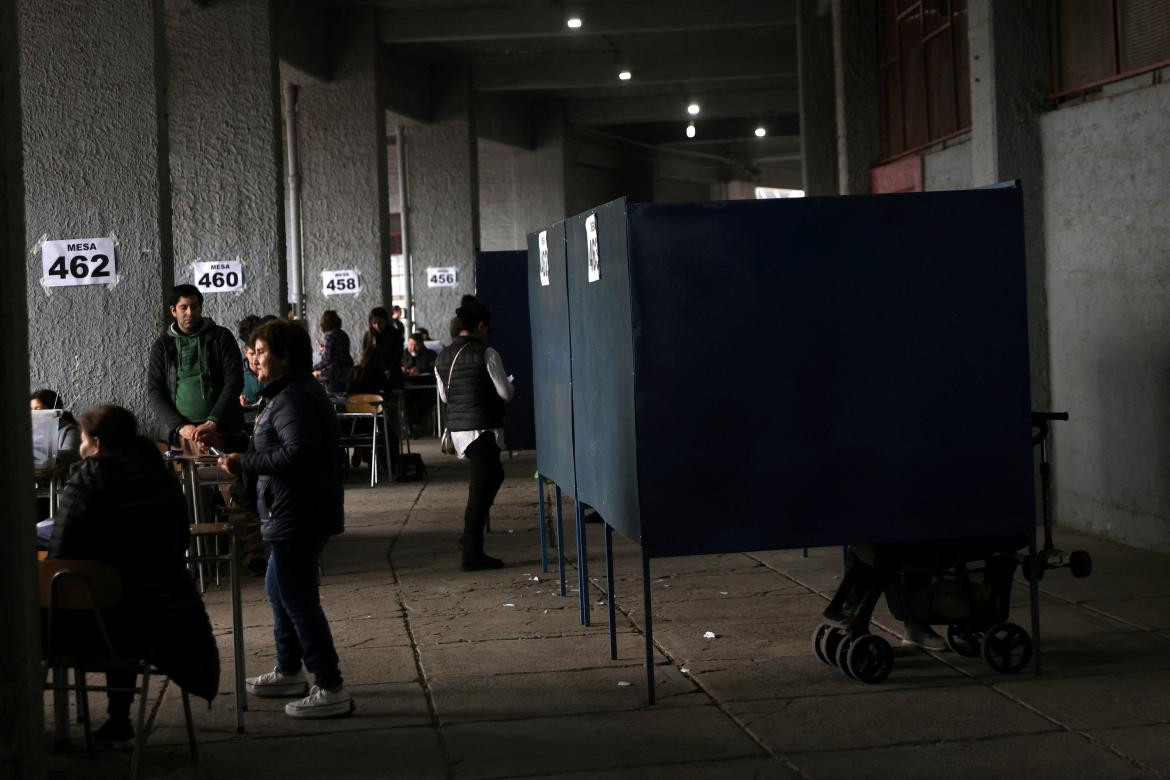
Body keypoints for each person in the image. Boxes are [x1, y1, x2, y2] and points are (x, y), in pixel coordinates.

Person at [48, 404, 219, 744]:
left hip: (100, 627)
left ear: (95, 444)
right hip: (166, 620)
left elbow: (60, 554)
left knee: (55, 607)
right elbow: (180, 539)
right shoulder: (159, 476)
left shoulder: (88, 479)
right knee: (119, 598)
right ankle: (118, 718)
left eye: (83, 441)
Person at [209, 318, 353, 718]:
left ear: (285, 356)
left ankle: (330, 684)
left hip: (299, 511)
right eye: (251, 352)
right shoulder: (285, 395)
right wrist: (236, 446)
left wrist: (243, 462)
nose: (252, 359)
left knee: (298, 599)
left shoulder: (293, 398)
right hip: (292, 509)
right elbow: (276, 442)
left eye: (260, 352)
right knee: (278, 591)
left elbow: (296, 454)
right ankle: (290, 670)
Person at [435, 299, 514, 570]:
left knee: (492, 478)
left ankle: (469, 536)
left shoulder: (442, 356)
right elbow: (505, 392)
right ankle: (471, 551)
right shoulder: (486, 353)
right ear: (480, 326)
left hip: (459, 430)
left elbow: (445, 397)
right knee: (479, 489)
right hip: (483, 428)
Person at [147, 284, 244, 451]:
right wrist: (179, 426)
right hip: (182, 435)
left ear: (201, 308)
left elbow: (234, 380)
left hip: (223, 429)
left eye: (194, 307)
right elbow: (155, 391)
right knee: (185, 476)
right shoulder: (163, 345)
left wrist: (214, 420)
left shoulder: (221, 337)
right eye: (183, 307)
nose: (189, 313)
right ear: (173, 311)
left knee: (225, 475)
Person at [29, 388, 81, 464]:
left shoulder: (69, 430)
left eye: (38, 409)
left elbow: (70, 454)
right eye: (31, 410)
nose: (33, 414)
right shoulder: (28, 430)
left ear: (55, 410)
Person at [312, 310, 354, 394]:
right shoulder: (343, 334)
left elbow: (327, 360)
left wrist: (313, 368)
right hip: (347, 370)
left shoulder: (329, 336)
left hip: (335, 374)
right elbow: (339, 351)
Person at [363, 306, 404, 389]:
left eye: (380, 322)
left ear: (386, 320)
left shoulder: (395, 334)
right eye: (374, 323)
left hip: (392, 372)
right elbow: (366, 354)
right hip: (374, 374)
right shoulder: (369, 336)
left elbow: (398, 355)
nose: (377, 326)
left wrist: (388, 369)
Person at [237, 315, 265, 410]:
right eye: (252, 353)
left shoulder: (273, 370)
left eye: (260, 352)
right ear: (245, 352)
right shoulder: (236, 373)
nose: (256, 358)